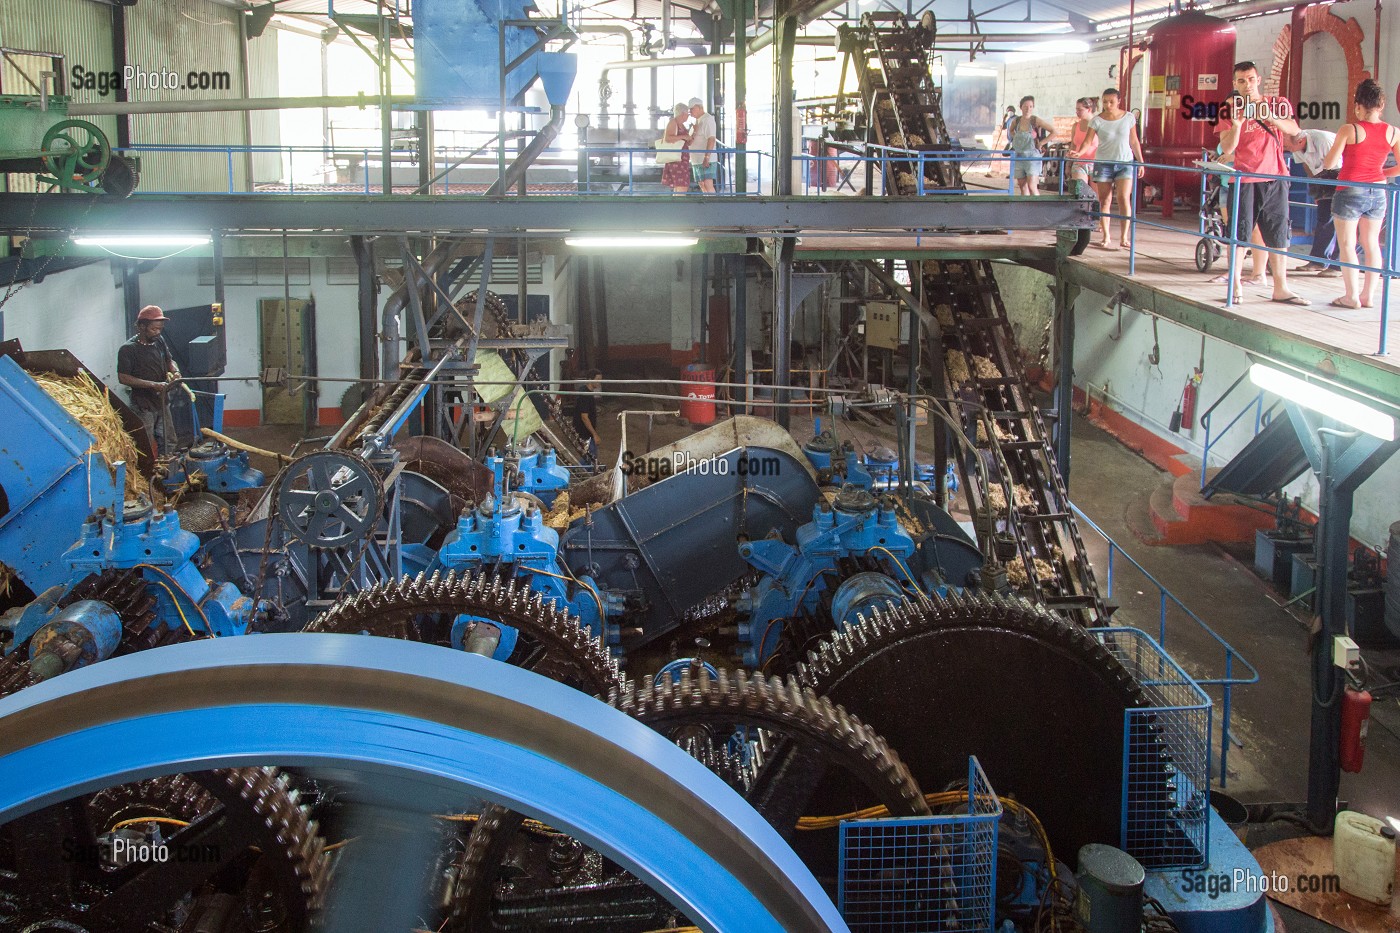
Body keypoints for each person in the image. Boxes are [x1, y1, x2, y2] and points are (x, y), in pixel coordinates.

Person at [1216, 60, 1305, 305]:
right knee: (1240, 233)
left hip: (1275, 177)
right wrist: (1237, 125)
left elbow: (1294, 130)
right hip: (1244, 178)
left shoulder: (1277, 103)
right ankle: (1234, 284)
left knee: (1278, 234)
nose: (1247, 85)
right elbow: (1227, 147)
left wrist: (1270, 116)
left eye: (1251, 79)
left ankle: (1281, 287)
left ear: (1259, 80)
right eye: (1241, 81)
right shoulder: (1229, 108)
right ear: (1235, 83)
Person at [1320, 78, 1400, 309]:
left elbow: (1329, 163)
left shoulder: (1349, 129)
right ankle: (1368, 296)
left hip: (1350, 189)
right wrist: (1381, 173)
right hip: (1378, 190)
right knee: (1372, 243)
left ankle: (1351, 296)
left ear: (1358, 105)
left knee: (1347, 244)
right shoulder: (1393, 132)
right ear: (1382, 105)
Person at [1071, 88, 1145, 250]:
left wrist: (1140, 162)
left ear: (1119, 101)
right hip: (1103, 163)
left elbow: (1134, 142)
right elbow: (1087, 142)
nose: (1108, 105)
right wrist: (1079, 153)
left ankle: (1124, 237)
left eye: (1111, 101)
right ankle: (1106, 236)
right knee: (1104, 200)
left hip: (1124, 163)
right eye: (1105, 102)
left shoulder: (1129, 118)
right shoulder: (1097, 120)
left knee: (1124, 198)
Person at [117, 305, 182, 455]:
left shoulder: (159, 341)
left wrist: (175, 371)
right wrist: (153, 385)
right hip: (142, 404)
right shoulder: (128, 349)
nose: (158, 332)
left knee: (169, 440)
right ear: (141, 326)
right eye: (154, 329)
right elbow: (123, 377)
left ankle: (166, 472)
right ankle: (146, 475)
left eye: (160, 329)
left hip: (161, 401)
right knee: (143, 444)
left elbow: (169, 361)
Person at [1281, 127, 1340, 275]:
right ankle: (1318, 260)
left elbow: (1337, 165)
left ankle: (1338, 265)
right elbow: (1306, 165)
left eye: (1287, 146)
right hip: (1321, 177)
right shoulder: (1295, 143)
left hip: (1340, 176)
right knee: (1323, 219)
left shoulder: (1324, 141)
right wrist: (1316, 188)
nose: (1286, 148)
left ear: (1301, 141)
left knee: (1342, 222)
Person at [1008, 96, 1054, 196]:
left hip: (1032, 157)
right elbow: (1011, 130)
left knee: (1032, 186)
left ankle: (1037, 210)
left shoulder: (1035, 120)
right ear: (1021, 107)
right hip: (1019, 156)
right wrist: (1015, 137)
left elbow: (1054, 132)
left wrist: (1041, 143)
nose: (1028, 109)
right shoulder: (1016, 121)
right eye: (1025, 106)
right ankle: (1025, 209)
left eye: (1031, 106)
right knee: (1022, 186)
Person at [571, 369, 603, 466]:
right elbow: (584, 417)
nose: (599, 382)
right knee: (590, 457)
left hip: (585, 431)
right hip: (584, 432)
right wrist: (594, 434)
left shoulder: (586, 391)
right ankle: (578, 473)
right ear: (590, 379)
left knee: (591, 456)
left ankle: (584, 473)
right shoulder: (585, 395)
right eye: (597, 379)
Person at [1067, 97, 1098, 190]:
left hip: (1095, 163)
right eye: (1076, 109)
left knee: (1097, 195)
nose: (1077, 112)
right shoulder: (1076, 126)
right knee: (1080, 193)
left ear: (1089, 109)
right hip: (1079, 163)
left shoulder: (1098, 124)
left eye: (1080, 110)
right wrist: (1068, 164)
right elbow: (1073, 145)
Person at [661, 102, 693, 195]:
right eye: (688, 113)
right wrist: (684, 136)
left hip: (682, 160)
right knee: (681, 185)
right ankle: (680, 206)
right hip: (677, 160)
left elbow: (687, 141)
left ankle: (677, 204)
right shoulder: (673, 122)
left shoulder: (681, 125)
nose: (688, 116)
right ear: (683, 113)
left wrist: (693, 133)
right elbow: (668, 138)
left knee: (680, 185)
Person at [688, 98, 718, 194]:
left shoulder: (707, 119)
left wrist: (707, 157)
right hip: (697, 159)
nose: (690, 112)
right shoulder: (697, 121)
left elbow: (711, 139)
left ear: (698, 107)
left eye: (691, 109)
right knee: (702, 184)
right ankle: (708, 205)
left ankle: (712, 206)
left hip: (705, 159)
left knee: (707, 184)